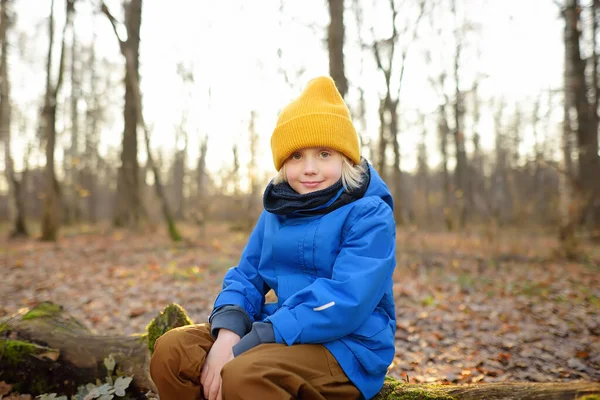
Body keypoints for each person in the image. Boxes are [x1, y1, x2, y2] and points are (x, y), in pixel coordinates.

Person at [150, 76, 397, 400]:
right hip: (281, 330)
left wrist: (257, 340)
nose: (309, 168)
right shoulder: (277, 211)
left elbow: (347, 299)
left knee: (245, 374)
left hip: (348, 346)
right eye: (296, 156)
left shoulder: (369, 214)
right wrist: (228, 332)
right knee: (173, 352)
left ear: (345, 158)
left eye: (323, 154)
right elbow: (246, 276)